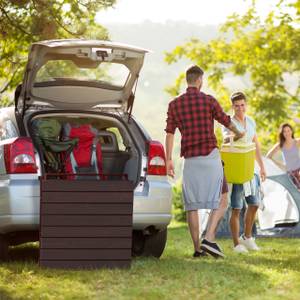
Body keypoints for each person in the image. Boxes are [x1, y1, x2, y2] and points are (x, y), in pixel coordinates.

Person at [165, 65, 243, 258]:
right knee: (223, 197)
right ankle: (209, 237)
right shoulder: (208, 100)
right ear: (199, 80)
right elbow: (226, 120)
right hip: (210, 157)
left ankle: (198, 250)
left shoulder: (174, 104)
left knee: (193, 205)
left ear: (187, 80)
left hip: (190, 160)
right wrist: (239, 132)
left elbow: (169, 133)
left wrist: (168, 160)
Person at [222, 92, 266, 254]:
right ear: (232, 106)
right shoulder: (228, 122)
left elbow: (256, 145)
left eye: (242, 105)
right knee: (236, 208)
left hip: (251, 168)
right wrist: (235, 135)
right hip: (237, 169)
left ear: (246, 105)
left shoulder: (251, 121)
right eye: (237, 105)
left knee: (254, 203)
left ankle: (247, 237)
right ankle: (236, 244)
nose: (240, 108)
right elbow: (225, 140)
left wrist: (262, 166)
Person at [267, 123, 300, 189]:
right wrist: (281, 165)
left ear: (291, 131)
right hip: (290, 174)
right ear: (282, 133)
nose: (287, 133)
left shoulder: (297, 142)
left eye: (288, 130)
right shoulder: (280, 145)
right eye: (284, 131)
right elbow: (268, 156)